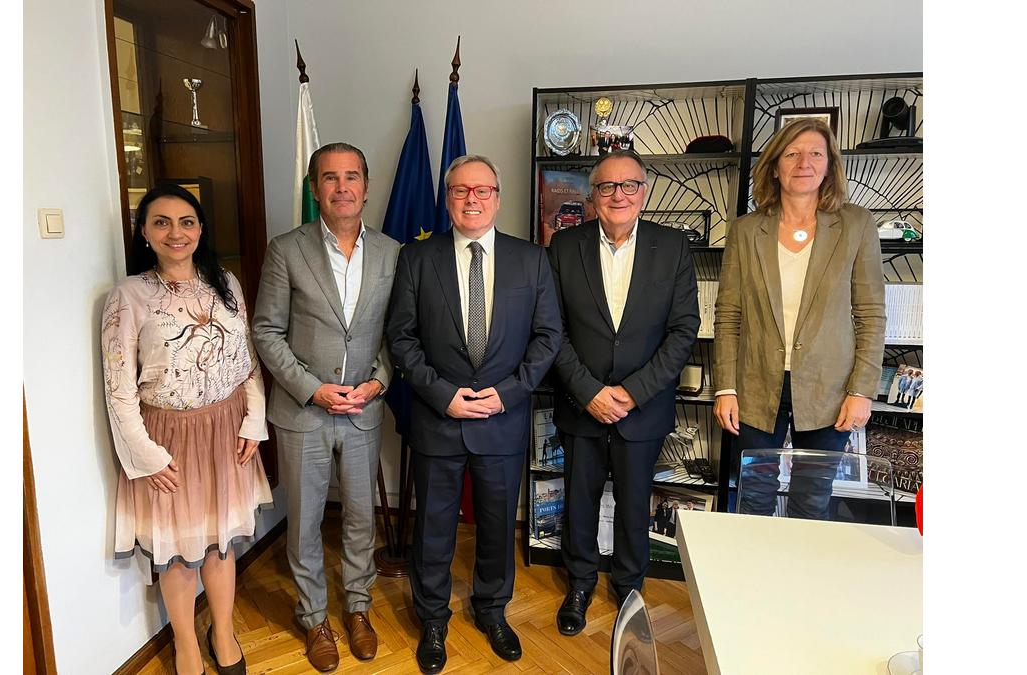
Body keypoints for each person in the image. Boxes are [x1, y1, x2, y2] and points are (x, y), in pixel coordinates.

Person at [386, 154, 561, 674]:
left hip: (503, 420)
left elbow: (548, 337)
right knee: (433, 528)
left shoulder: (531, 260)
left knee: (497, 526)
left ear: (497, 198)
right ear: (447, 199)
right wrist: (443, 394)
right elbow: (401, 337)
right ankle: (432, 619)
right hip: (438, 419)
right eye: (461, 190)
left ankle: (492, 609)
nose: (472, 199)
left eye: (482, 190)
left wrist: (509, 393)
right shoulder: (418, 258)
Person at [103, 184, 272, 675]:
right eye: (162, 222)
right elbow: (118, 387)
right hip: (168, 439)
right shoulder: (128, 296)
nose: (176, 233)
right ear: (144, 232)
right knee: (176, 549)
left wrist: (254, 420)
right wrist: (146, 454)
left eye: (186, 221)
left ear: (200, 229)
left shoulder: (225, 282)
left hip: (226, 429)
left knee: (220, 540)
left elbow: (246, 359)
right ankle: (185, 646)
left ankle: (223, 632)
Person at [251, 143, 398, 673]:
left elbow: (398, 333)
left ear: (366, 186)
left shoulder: (392, 253)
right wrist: (312, 389)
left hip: (362, 410)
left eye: (351, 176)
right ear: (315, 189)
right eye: (330, 178)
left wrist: (379, 382)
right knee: (306, 521)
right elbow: (266, 331)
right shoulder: (286, 250)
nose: (342, 187)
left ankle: (358, 607)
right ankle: (314, 617)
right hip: (303, 412)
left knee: (360, 518)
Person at [546, 150, 700, 637]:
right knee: (580, 500)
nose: (618, 195)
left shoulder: (672, 246)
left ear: (644, 192)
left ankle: (630, 586)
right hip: (582, 403)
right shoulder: (563, 246)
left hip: (643, 406)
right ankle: (579, 585)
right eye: (607, 186)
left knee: (635, 503)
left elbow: (684, 330)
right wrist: (589, 391)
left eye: (629, 185)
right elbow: (552, 329)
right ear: (593, 195)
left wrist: (632, 393)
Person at [713, 117, 887, 520]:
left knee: (812, 499)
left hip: (830, 389)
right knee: (754, 494)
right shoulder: (745, 230)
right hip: (755, 385)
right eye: (791, 154)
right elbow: (729, 314)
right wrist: (725, 387)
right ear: (775, 166)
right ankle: (755, 564)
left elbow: (870, 313)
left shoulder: (856, 225)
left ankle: (801, 565)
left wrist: (862, 390)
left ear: (829, 166)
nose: (803, 163)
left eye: (815, 154)